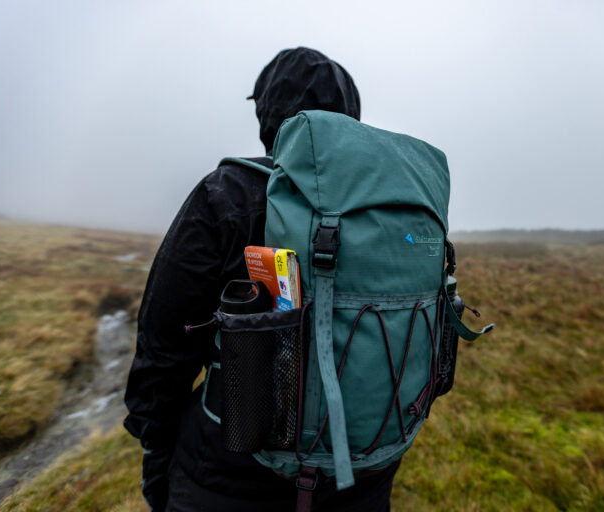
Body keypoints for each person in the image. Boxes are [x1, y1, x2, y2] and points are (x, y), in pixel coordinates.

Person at [123, 47, 400, 512]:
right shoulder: (387, 209)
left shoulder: (229, 194)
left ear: (267, 114)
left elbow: (164, 344)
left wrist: (156, 454)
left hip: (228, 479)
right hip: (364, 470)